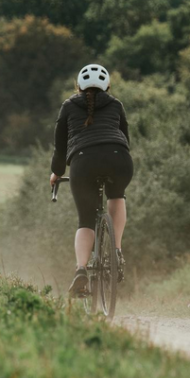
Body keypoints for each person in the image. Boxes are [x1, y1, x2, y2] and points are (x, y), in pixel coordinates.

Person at [50, 64, 133, 297]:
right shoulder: (116, 104)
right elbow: (125, 138)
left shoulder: (68, 106)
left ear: (78, 86)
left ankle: (81, 270)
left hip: (83, 163)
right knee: (117, 195)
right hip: (120, 159)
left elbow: (60, 148)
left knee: (86, 220)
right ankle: (116, 250)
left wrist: (56, 172)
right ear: (107, 86)